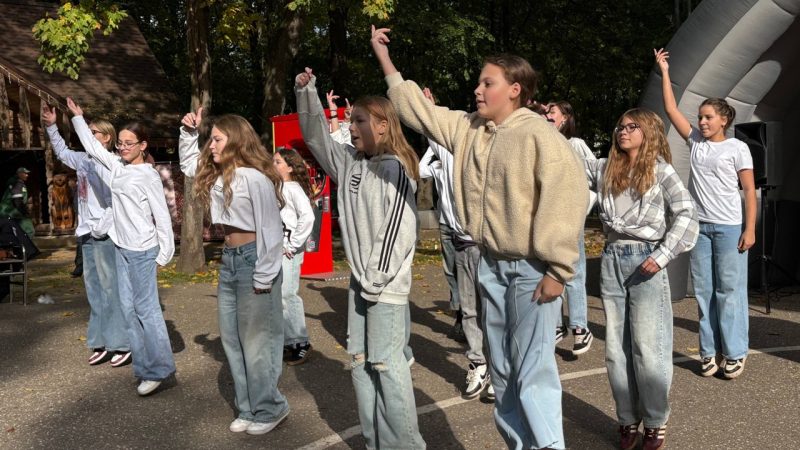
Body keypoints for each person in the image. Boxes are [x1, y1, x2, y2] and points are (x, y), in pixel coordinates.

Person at [371, 26, 588, 449]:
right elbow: (419, 111)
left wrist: (558, 271)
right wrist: (385, 58)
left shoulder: (539, 135)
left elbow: (566, 198)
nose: (477, 89)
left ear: (515, 90)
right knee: (503, 372)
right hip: (488, 264)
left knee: (533, 373)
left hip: (531, 271)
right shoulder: (468, 128)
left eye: (488, 83)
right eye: (479, 82)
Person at [296, 67, 425, 449]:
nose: (351, 127)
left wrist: (375, 278)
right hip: (361, 282)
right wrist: (307, 93)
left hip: (385, 286)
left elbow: (398, 231)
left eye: (359, 121)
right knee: (360, 361)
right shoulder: (349, 162)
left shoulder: (396, 169)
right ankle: (376, 443)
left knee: (386, 364)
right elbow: (316, 137)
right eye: (351, 120)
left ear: (383, 126)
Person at [585, 108, 698, 450]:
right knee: (616, 349)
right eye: (620, 126)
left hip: (645, 258)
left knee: (649, 347)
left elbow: (687, 213)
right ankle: (626, 418)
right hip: (611, 258)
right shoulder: (605, 168)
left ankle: (655, 421)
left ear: (648, 131)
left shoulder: (661, 171)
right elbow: (566, 158)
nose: (623, 131)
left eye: (632, 126)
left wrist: (661, 256)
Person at [180, 108, 289, 435]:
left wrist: (264, 275)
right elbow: (189, 165)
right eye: (210, 139)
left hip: (254, 259)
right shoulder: (219, 176)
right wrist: (189, 133)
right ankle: (248, 408)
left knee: (257, 341)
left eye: (217, 139)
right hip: (229, 260)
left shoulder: (255, 178)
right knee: (232, 339)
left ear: (236, 141)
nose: (211, 145)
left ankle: (270, 407)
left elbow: (271, 229)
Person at [656, 48, 756, 379]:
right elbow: (671, 109)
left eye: (708, 117)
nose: (701, 122)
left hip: (729, 228)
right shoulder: (696, 142)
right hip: (700, 228)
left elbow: (749, 192)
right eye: (700, 117)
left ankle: (735, 352)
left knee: (730, 291)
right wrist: (665, 71)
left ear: (724, 119)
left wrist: (750, 229)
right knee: (704, 292)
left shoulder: (738, 148)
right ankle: (709, 351)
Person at [66, 97, 175, 397]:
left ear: (143, 145)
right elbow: (93, 148)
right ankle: (144, 369)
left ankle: (159, 369)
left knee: (147, 310)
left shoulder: (148, 175)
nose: (123, 148)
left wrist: (165, 252)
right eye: (121, 144)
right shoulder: (117, 167)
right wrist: (78, 118)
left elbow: (161, 215)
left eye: (129, 143)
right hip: (121, 248)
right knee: (128, 310)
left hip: (143, 250)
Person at [42, 103, 131, 367]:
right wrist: (51, 126)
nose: (88, 136)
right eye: (87, 131)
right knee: (94, 291)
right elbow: (61, 152)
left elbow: (116, 202)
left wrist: (101, 227)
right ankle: (100, 341)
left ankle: (121, 343)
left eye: (93, 133)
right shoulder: (83, 160)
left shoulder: (113, 163)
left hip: (105, 235)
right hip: (86, 235)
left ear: (107, 138)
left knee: (111, 289)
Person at [418, 87, 492, 400]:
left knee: (493, 311)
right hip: (461, 243)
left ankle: (499, 369)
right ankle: (478, 363)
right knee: (470, 310)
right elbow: (430, 128)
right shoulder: (447, 151)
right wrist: (428, 106)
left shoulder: (491, 148)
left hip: (489, 247)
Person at [545, 100, 596, 355]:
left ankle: (579, 327)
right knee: (552, 272)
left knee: (574, 273)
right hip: (548, 220)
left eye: (552, 112)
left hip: (571, 219)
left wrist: (583, 207)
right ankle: (557, 325)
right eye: (545, 112)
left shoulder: (575, 144)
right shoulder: (543, 143)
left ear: (565, 117)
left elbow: (596, 177)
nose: (547, 115)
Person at [274, 147, 316, 365]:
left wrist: (292, 244)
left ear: (290, 167)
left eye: (278, 162)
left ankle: (301, 342)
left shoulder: (293, 188)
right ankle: (288, 341)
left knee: (288, 295)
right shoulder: (277, 187)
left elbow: (308, 217)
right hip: (277, 250)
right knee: (278, 296)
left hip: (288, 253)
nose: (273, 165)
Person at [0, 167, 34, 236]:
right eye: (25, 173)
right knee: (29, 230)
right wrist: (25, 212)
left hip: (9, 213)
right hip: (12, 212)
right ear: (19, 174)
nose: (27, 175)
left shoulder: (16, 183)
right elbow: (17, 200)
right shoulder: (17, 183)